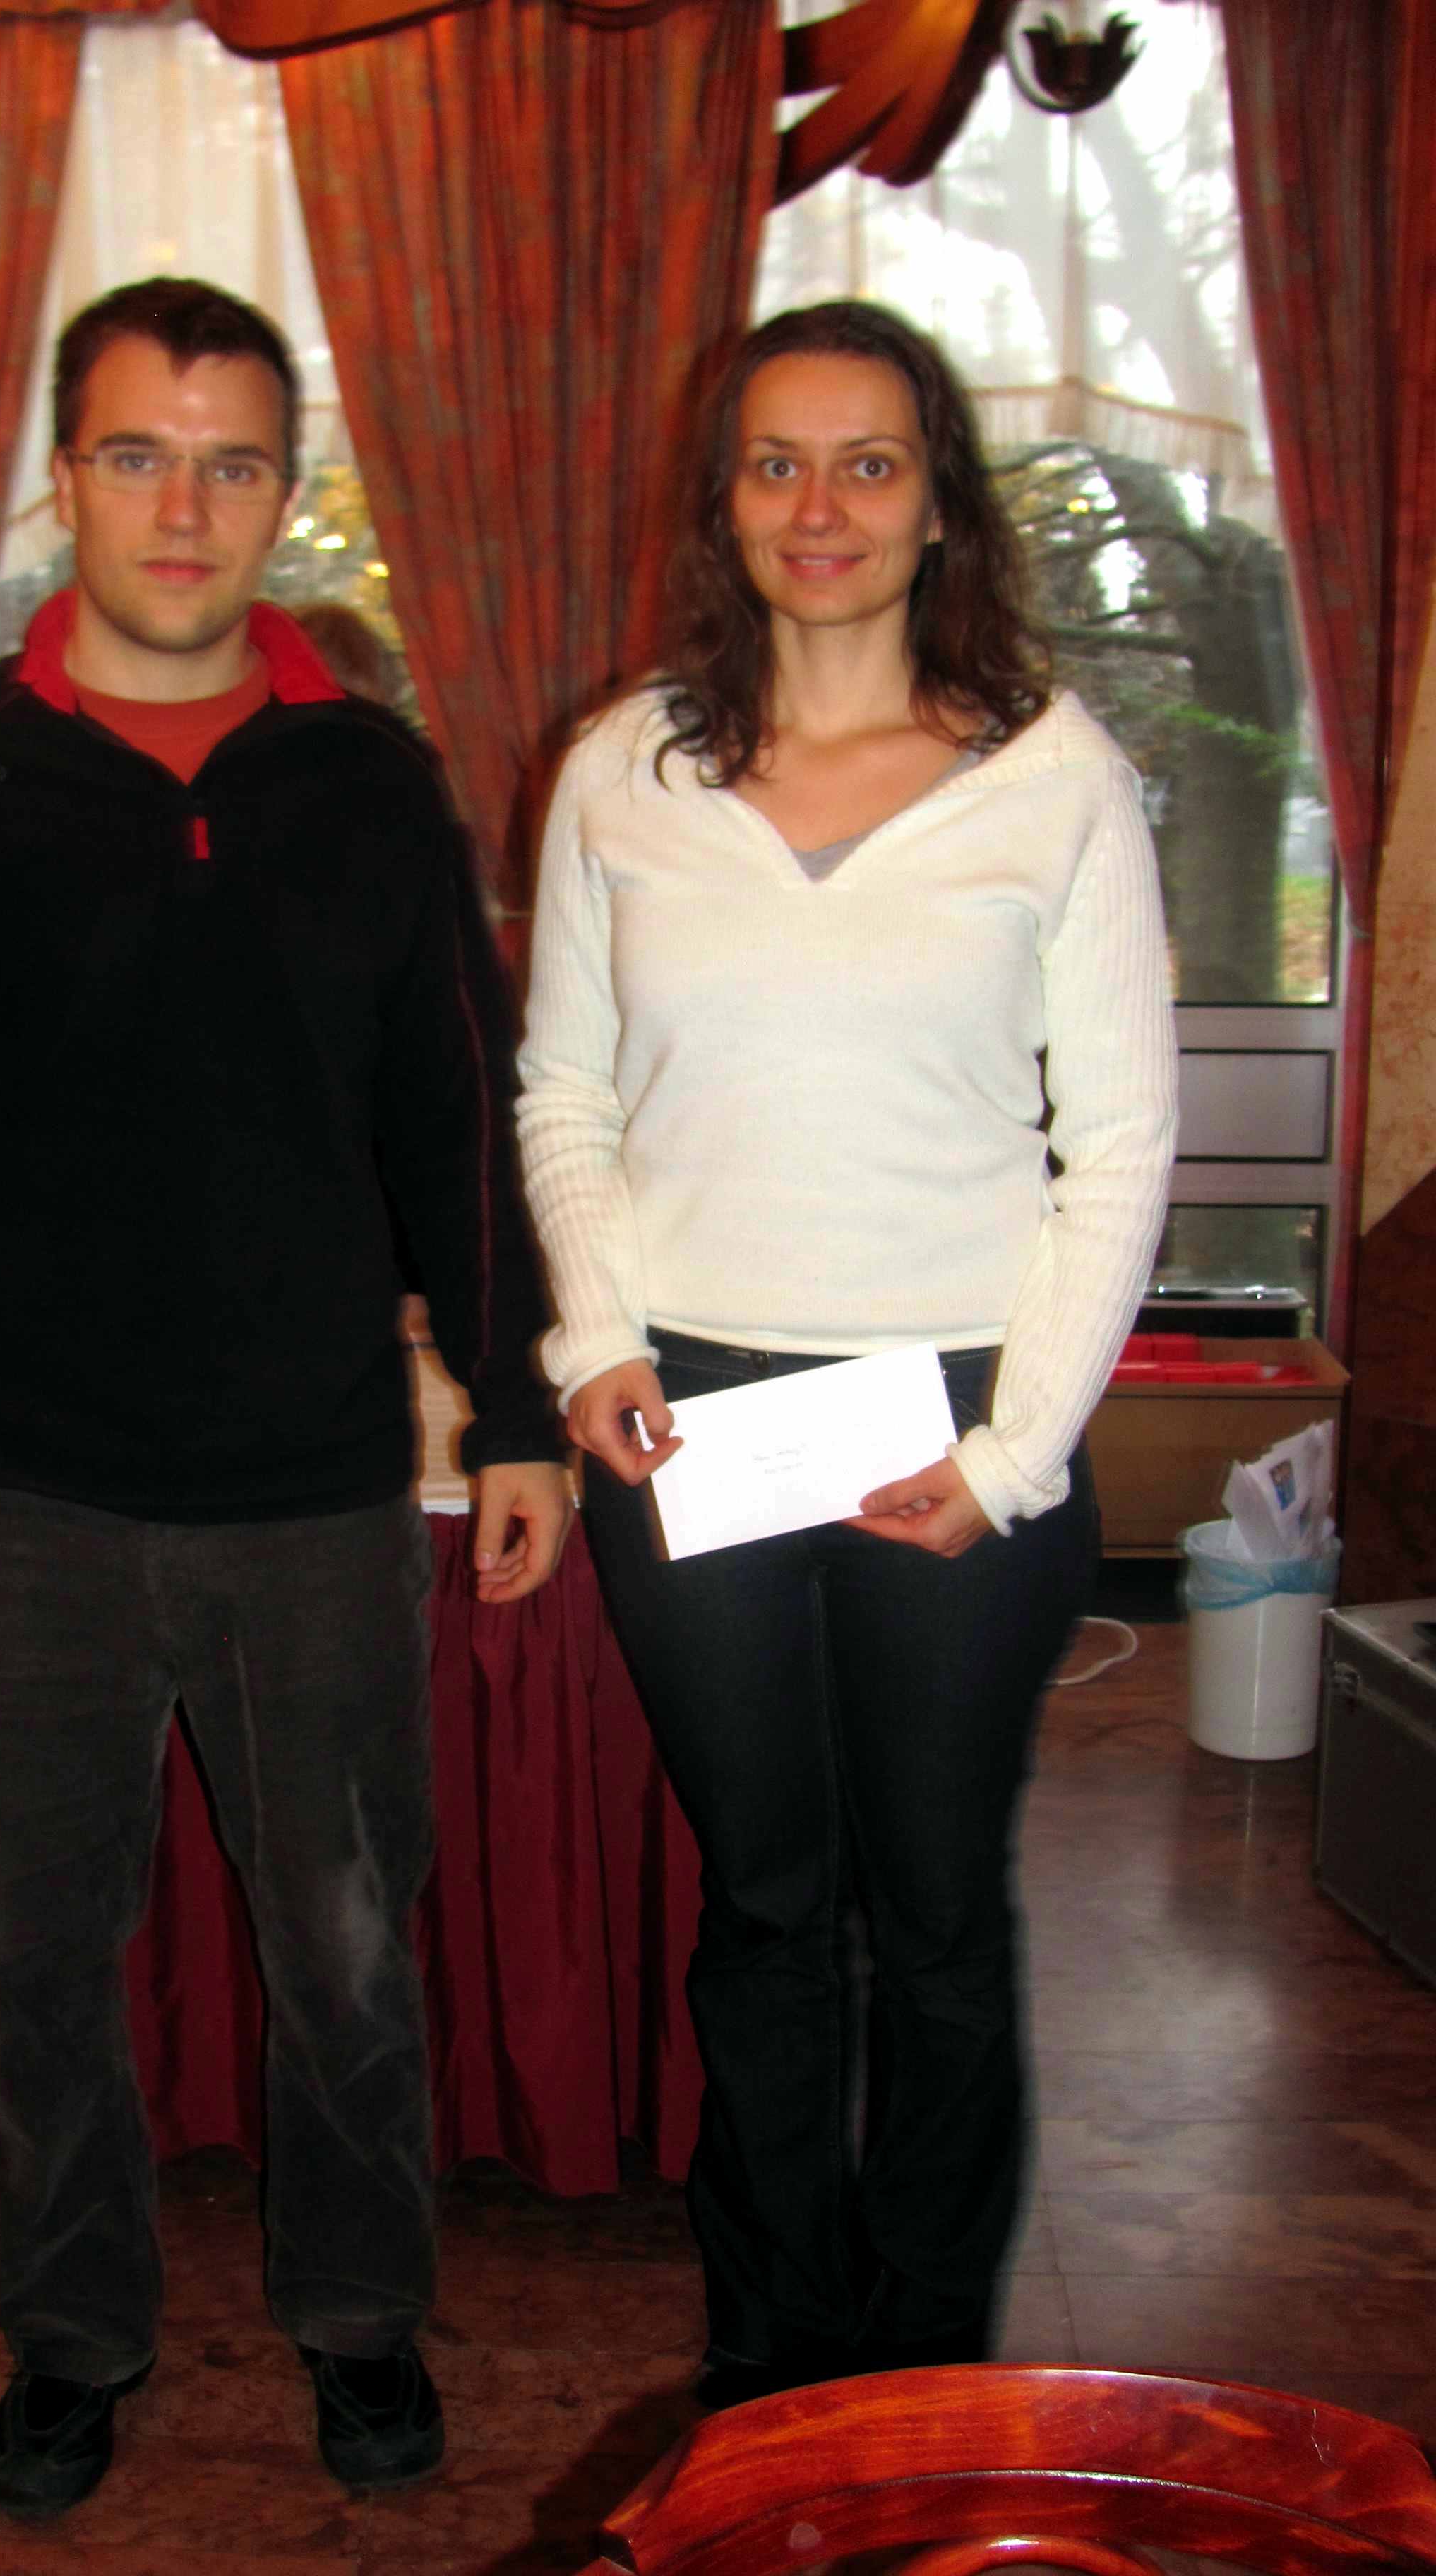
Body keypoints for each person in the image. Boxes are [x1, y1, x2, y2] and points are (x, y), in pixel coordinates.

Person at [0, 275, 571, 2515]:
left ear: (285, 494)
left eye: (231, 463)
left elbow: (455, 1122)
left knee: (351, 1958)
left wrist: (512, 1406)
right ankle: (75, 2339)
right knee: (33, 1966)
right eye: (137, 454)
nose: (183, 508)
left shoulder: (369, 782)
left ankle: (362, 2320)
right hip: (20, 1494)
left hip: (314, 1493)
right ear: (62, 477)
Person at [516, 301, 1175, 2401]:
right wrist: (594, 1334)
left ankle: (927, 2369)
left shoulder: (1052, 777)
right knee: (767, 1905)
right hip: (693, 1414)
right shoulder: (622, 767)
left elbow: (1119, 1144)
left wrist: (1012, 1452)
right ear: (722, 500)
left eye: (869, 462)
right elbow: (565, 1094)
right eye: (776, 461)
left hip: (954, 1411)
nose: (821, 506)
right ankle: (777, 2356)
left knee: (938, 1913)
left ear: (936, 501)